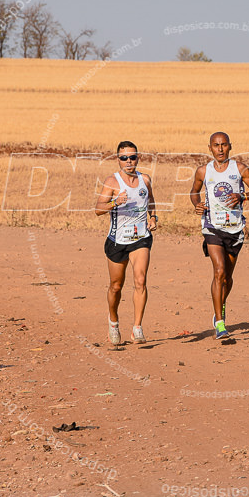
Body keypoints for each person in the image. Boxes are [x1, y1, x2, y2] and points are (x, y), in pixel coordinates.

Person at [189, 132, 249, 339]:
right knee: (219, 271)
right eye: (216, 145)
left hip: (235, 228)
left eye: (223, 145)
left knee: (227, 278)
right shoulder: (203, 171)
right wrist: (197, 204)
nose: (220, 149)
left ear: (230, 146)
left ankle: (219, 305)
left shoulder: (240, 169)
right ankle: (220, 324)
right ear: (209, 148)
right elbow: (194, 192)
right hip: (212, 227)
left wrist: (243, 195)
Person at [95, 141, 157, 345]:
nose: (129, 161)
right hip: (117, 241)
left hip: (141, 238)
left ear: (138, 158)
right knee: (116, 286)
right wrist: (115, 202)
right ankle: (113, 322)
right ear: (118, 160)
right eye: (124, 158)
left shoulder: (144, 179)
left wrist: (153, 217)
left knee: (140, 280)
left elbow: (151, 201)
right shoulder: (112, 181)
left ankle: (137, 328)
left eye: (133, 157)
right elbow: (98, 209)